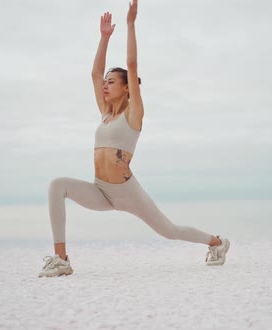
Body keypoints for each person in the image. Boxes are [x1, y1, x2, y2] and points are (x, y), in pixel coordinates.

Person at [39, 0, 230, 278]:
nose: (105, 85)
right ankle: (61, 259)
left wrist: (130, 24)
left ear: (127, 88)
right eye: (106, 82)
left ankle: (217, 243)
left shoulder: (134, 113)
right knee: (57, 186)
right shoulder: (105, 113)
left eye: (112, 82)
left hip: (127, 193)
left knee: (170, 231)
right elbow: (93, 74)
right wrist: (104, 38)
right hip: (101, 190)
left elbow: (131, 63)